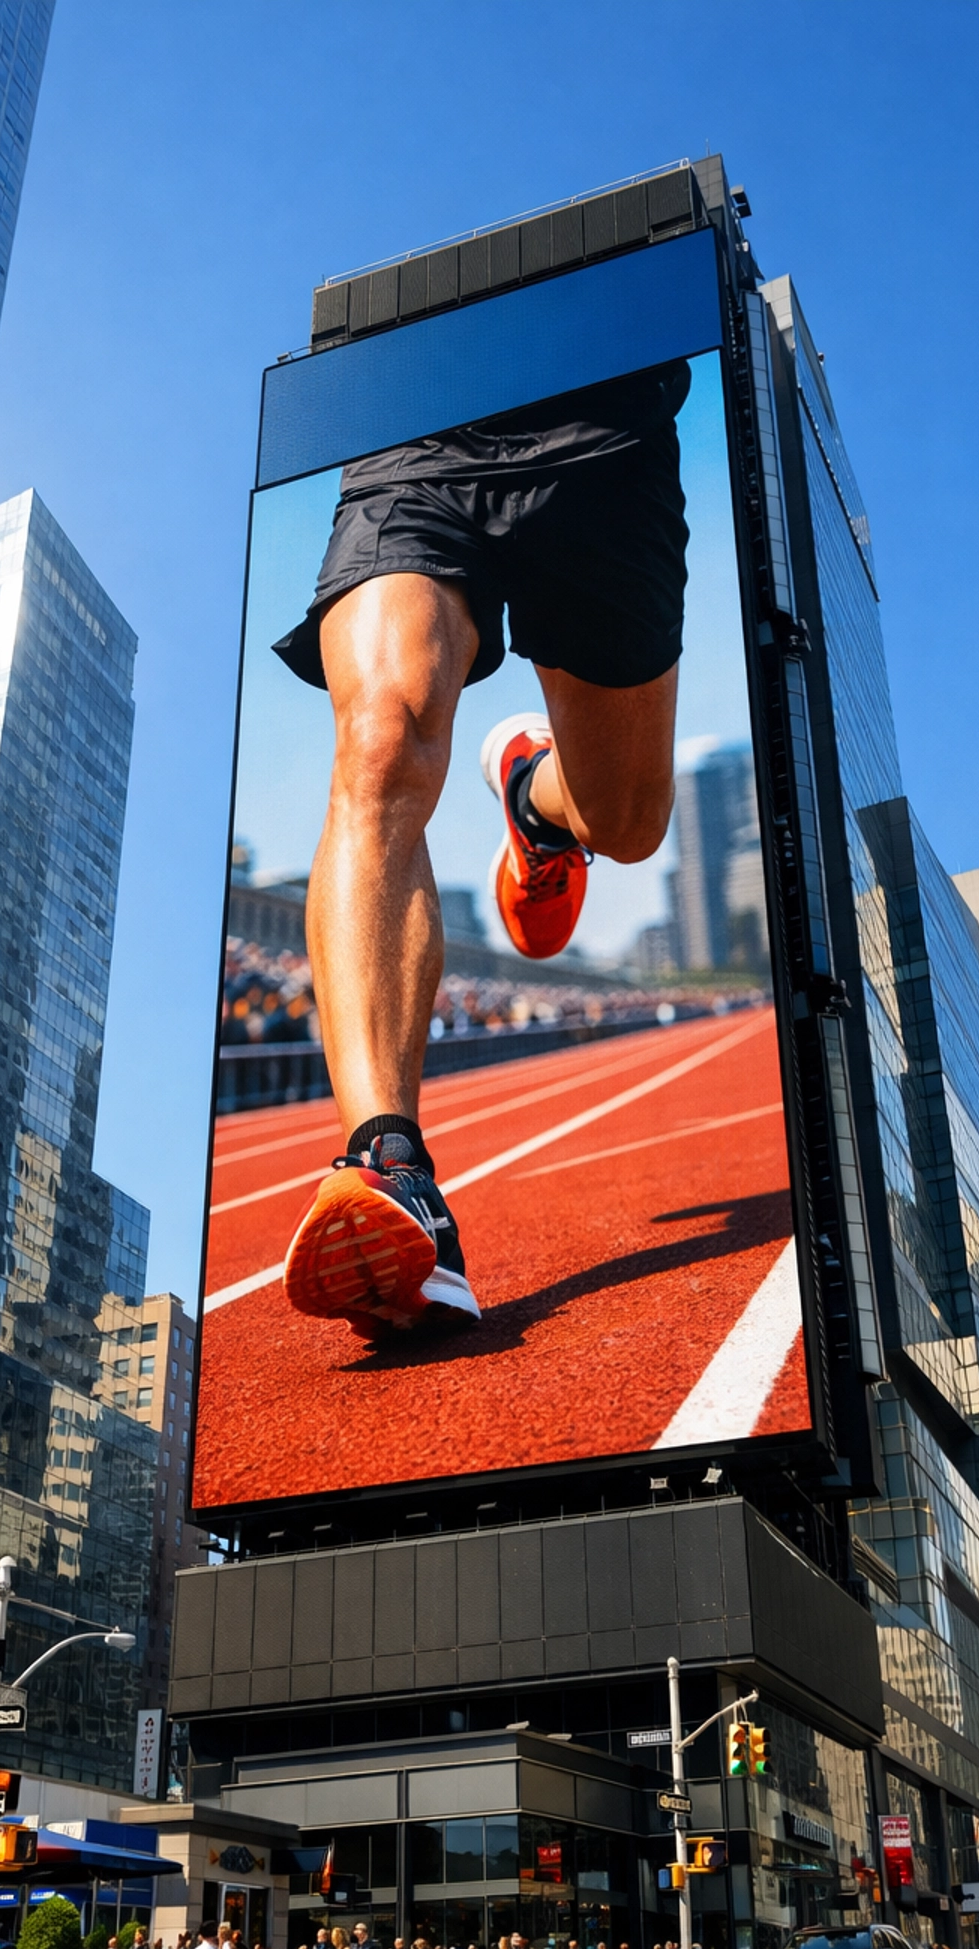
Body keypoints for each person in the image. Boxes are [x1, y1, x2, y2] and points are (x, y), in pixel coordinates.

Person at [274, 364, 692, 1347]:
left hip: (605, 426)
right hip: (415, 431)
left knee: (627, 820)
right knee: (379, 743)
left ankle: (536, 805)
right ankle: (388, 1164)